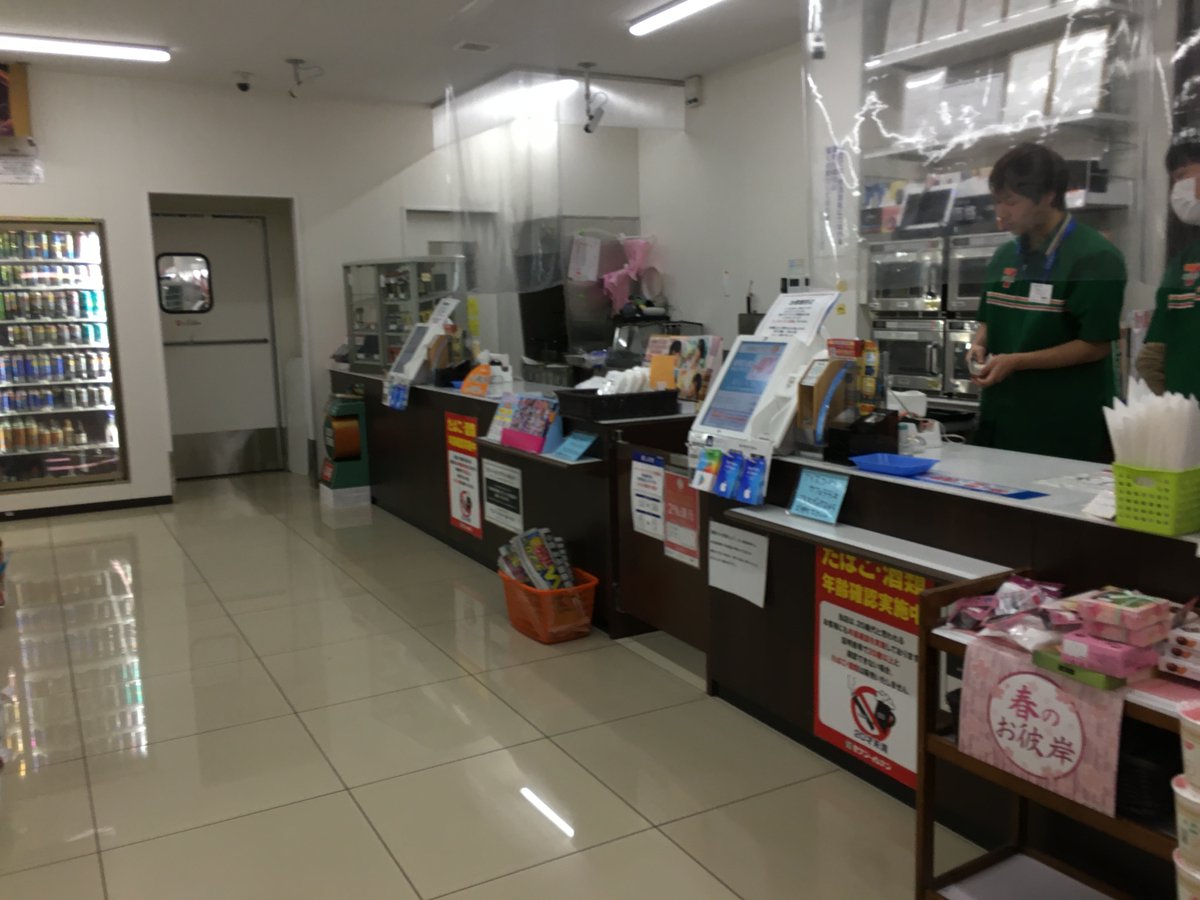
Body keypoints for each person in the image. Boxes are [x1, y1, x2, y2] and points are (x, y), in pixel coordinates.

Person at [968, 143, 1126, 462]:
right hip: (1002, 419)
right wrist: (978, 346)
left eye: (1011, 202)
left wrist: (1017, 361)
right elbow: (989, 320)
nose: (1001, 213)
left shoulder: (1096, 257)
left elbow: (1095, 345)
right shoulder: (1005, 256)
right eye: (997, 201)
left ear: (1048, 196)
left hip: (1062, 426)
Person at [1136, 141, 1200, 398]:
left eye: (1184, 176)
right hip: (1185, 410)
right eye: (1175, 180)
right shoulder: (1185, 261)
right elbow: (1152, 357)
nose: (1179, 189)